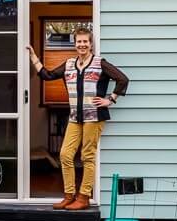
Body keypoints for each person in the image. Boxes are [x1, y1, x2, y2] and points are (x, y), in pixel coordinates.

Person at [27, 28, 129, 210]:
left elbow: (122, 79)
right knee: (65, 154)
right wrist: (34, 56)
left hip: (94, 116)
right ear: (74, 44)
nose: (82, 45)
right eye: (79, 42)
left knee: (87, 156)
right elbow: (47, 75)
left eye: (85, 42)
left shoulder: (100, 64)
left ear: (90, 44)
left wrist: (110, 99)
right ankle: (69, 195)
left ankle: (83, 197)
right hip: (75, 117)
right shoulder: (69, 64)